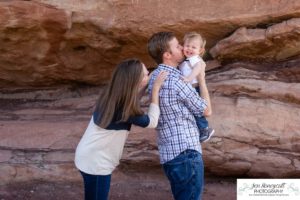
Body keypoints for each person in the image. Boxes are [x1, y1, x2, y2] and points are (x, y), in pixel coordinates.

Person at [74, 58, 168, 200]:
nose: (148, 73)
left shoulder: (113, 96)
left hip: (88, 156)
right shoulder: (124, 108)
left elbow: (132, 98)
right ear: (135, 81)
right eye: (145, 74)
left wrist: (146, 84)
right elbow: (151, 122)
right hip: (96, 163)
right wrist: (155, 89)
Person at [147, 32, 212, 200]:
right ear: (167, 55)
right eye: (178, 46)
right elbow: (206, 111)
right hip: (186, 152)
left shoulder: (154, 76)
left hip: (168, 154)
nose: (183, 48)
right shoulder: (177, 80)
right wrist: (202, 79)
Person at [179, 32, 215, 143]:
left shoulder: (194, 59)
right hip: (190, 88)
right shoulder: (186, 60)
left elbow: (199, 67)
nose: (189, 49)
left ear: (200, 51)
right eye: (187, 46)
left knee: (198, 110)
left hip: (195, 87)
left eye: (193, 47)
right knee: (193, 110)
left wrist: (189, 78)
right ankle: (200, 129)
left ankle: (205, 129)